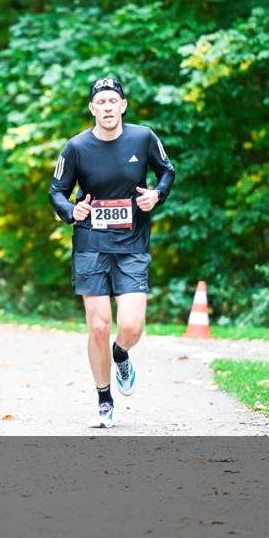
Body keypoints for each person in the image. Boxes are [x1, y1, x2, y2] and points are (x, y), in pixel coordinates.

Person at [48, 77, 176, 428]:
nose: (107, 107)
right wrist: (71, 210)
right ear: (92, 109)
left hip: (132, 243)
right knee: (99, 325)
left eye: (112, 101)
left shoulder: (143, 138)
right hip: (90, 243)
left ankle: (121, 355)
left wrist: (157, 195)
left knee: (131, 327)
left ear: (123, 106)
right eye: (100, 102)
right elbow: (56, 192)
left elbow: (167, 172)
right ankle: (104, 400)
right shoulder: (76, 147)